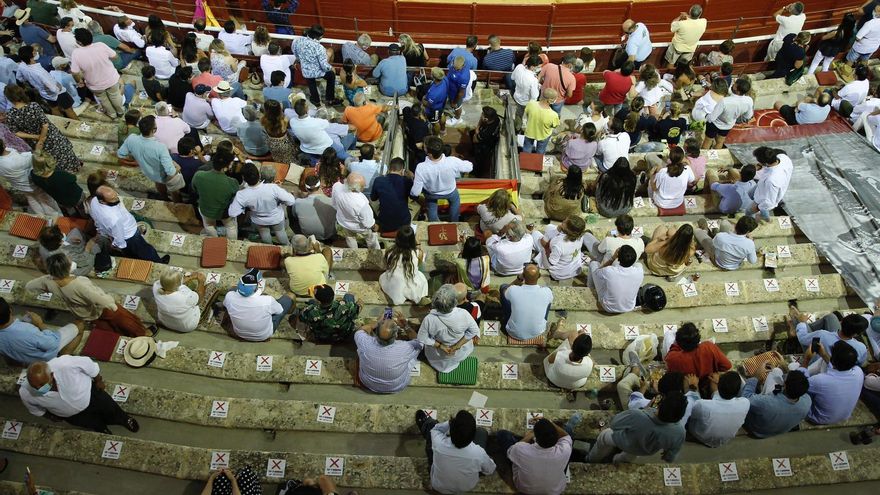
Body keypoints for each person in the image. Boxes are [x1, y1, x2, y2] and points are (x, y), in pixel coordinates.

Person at [27, 253, 155, 337]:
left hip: (81, 313)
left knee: (105, 327)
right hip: (99, 308)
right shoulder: (80, 283)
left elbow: (30, 285)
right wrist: (112, 305)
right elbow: (98, 298)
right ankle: (142, 334)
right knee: (124, 319)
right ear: (67, 267)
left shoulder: (48, 281)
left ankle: (122, 336)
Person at [20, 357, 140, 434]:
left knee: (110, 409)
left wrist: (98, 380)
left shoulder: (65, 365)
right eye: (34, 385)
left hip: (91, 395)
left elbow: (88, 365)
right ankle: (101, 428)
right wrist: (50, 416)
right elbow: (34, 409)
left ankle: (124, 419)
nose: (38, 389)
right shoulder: (25, 392)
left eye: (42, 384)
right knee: (90, 422)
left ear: (51, 375)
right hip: (72, 415)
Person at [588, 391, 688, 463]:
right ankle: (617, 462)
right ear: (680, 416)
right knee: (628, 456)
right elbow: (670, 457)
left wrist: (645, 409)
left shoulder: (637, 415)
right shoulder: (680, 432)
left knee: (603, 436)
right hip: (643, 450)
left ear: (660, 406)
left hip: (622, 440)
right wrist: (667, 455)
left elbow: (614, 424)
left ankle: (591, 459)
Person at [415, 408, 495, 494]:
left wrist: (451, 422)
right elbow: (490, 470)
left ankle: (425, 424)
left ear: (451, 431)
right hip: (466, 487)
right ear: (472, 437)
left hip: (438, 486)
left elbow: (435, 429)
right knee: (482, 432)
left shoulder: (439, 443)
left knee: (432, 424)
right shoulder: (479, 453)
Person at [4, 85, 79, 173]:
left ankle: (63, 172)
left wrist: (36, 137)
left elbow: (15, 132)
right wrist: (41, 138)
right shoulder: (34, 106)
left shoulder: (10, 114)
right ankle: (74, 167)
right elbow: (45, 125)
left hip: (34, 141)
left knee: (50, 157)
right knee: (63, 151)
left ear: (9, 98)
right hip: (50, 135)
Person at [90, 184, 169, 264]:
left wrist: (104, 233)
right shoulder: (113, 218)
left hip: (116, 233)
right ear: (102, 201)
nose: (117, 197)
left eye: (115, 193)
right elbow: (119, 235)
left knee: (131, 254)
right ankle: (159, 263)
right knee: (147, 251)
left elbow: (97, 220)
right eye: (112, 199)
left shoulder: (94, 201)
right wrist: (118, 244)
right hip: (130, 236)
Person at [497, 418, 572, 495]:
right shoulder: (565, 450)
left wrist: (530, 435)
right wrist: (549, 423)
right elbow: (566, 436)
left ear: (536, 439)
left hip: (524, 489)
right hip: (554, 491)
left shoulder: (520, 450)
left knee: (502, 434)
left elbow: (512, 450)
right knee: (568, 430)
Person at [118, 115, 184, 202]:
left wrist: (137, 159)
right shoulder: (160, 147)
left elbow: (120, 154)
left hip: (148, 172)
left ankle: (164, 198)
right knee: (174, 190)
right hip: (163, 174)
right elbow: (170, 172)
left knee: (158, 183)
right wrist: (178, 168)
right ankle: (177, 203)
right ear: (154, 130)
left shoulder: (131, 138)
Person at [229, 161, 295, 246]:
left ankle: (269, 248)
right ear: (259, 175)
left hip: (259, 220)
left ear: (244, 179)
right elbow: (291, 201)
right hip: (276, 218)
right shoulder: (273, 188)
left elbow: (232, 212)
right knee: (280, 232)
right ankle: (287, 247)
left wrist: (245, 208)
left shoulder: (241, 194)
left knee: (264, 235)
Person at [355, 312, 422, 394]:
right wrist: (405, 325)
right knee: (413, 354)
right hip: (397, 386)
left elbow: (360, 331)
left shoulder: (366, 343)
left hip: (369, 384)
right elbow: (419, 342)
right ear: (396, 335)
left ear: (376, 334)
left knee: (360, 352)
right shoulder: (405, 347)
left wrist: (377, 323)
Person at [417, 284, 479, 373]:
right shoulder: (463, 314)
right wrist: (456, 346)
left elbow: (421, 338)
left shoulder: (429, 319)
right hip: (459, 353)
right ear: (455, 301)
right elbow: (474, 331)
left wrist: (440, 346)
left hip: (438, 355)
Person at [0, 299, 82, 365]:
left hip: (22, 358)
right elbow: (52, 343)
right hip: (44, 358)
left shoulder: (24, 329)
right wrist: (40, 324)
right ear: (10, 310)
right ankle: (63, 359)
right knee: (80, 325)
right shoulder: (28, 330)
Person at [411, 136, 473, 222]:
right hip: (450, 191)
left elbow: (416, 192)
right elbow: (469, 167)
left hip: (431, 194)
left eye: (424, 147)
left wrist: (412, 194)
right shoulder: (452, 161)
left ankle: (434, 224)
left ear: (429, 154)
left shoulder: (421, 168)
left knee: (431, 206)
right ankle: (454, 222)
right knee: (455, 202)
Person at [223, 268, 291, 342]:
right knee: (288, 299)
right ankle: (293, 315)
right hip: (263, 335)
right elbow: (279, 311)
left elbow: (225, 305)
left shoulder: (229, 296)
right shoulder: (267, 300)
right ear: (256, 289)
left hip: (239, 333)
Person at [70, 28, 124, 118]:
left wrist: (79, 81)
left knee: (103, 100)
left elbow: (75, 73)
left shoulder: (76, 53)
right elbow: (115, 56)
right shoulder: (101, 45)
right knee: (115, 95)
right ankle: (120, 112)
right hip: (111, 79)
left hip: (95, 84)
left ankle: (112, 114)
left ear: (79, 42)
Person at [742, 368, 811, 438]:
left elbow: (744, 399)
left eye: (785, 378)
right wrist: (783, 367)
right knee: (777, 370)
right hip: (778, 427)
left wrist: (755, 377)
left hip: (757, 431)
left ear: (785, 386)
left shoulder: (764, 402)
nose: (783, 378)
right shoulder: (807, 401)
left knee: (740, 385)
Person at [807, 341, 864, 424]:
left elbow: (797, 384)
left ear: (833, 361)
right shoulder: (859, 372)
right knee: (823, 361)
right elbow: (836, 367)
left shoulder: (819, 380)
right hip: (844, 416)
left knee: (796, 387)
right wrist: (823, 354)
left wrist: (806, 359)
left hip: (818, 418)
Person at [687, 371, 750, 447]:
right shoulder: (745, 403)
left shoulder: (702, 405)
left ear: (718, 386)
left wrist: (693, 387)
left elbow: (691, 413)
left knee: (690, 398)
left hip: (701, 435)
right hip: (725, 439)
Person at [0, 139, 60, 217]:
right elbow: (34, 159)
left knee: (32, 199)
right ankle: (54, 216)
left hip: (19, 185)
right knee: (45, 199)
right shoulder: (15, 161)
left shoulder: (6, 158)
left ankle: (40, 216)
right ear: (4, 145)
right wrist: (38, 149)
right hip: (31, 183)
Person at [17, 45, 77, 119]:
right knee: (69, 110)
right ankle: (79, 125)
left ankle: (61, 122)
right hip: (58, 93)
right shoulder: (40, 72)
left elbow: (20, 78)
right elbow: (53, 89)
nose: (36, 52)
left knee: (54, 108)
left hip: (44, 93)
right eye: (34, 51)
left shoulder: (22, 66)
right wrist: (59, 88)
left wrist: (32, 81)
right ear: (32, 54)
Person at [792, 309, 869, 366]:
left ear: (841, 322)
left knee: (799, 321)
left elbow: (802, 339)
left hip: (819, 365)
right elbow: (859, 364)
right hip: (839, 367)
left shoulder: (822, 335)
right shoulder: (861, 348)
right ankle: (805, 327)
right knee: (831, 317)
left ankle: (797, 325)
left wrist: (802, 322)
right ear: (856, 334)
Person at [499, 264, 554, 341]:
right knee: (549, 295)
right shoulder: (546, 291)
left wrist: (519, 278)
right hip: (538, 332)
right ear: (539, 276)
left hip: (513, 332)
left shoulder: (513, 290)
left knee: (503, 287)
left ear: (523, 276)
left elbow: (506, 289)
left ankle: (506, 316)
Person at [191, 151, 239, 239]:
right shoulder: (232, 182)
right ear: (225, 168)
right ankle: (232, 244)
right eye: (231, 164)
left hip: (205, 209)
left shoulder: (199, 175)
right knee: (231, 227)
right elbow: (235, 198)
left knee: (209, 226)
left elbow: (194, 189)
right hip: (224, 213)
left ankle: (215, 241)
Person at [380, 226, 429, 305]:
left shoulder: (389, 251)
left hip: (395, 284)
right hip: (411, 283)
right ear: (412, 240)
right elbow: (419, 265)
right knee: (422, 276)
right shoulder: (418, 253)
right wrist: (418, 244)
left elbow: (387, 265)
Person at [293, 25, 340, 107]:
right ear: (319, 37)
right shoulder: (319, 48)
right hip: (316, 71)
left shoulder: (298, 41)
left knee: (311, 82)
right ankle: (330, 99)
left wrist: (301, 61)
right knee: (331, 75)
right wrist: (331, 68)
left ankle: (316, 101)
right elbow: (324, 65)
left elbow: (295, 53)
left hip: (306, 71)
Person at [36, 223, 108, 276]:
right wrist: (88, 248)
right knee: (101, 240)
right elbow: (83, 261)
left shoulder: (45, 243)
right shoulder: (62, 255)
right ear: (60, 241)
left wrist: (68, 242)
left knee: (76, 231)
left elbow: (64, 245)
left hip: (71, 252)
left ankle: (88, 239)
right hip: (80, 265)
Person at [332, 172, 381, 250]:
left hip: (344, 223)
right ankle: (374, 252)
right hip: (360, 227)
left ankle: (354, 251)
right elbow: (368, 223)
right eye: (363, 186)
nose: (364, 187)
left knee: (350, 238)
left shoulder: (336, 187)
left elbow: (334, 204)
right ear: (356, 188)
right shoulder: (362, 203)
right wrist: (375, 226)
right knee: (371, 239)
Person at [589, 244, 644, 314]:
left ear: (618, 257)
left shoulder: (609, 271)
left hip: (608, 307)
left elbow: (597, 273)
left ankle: (589, 287)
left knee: (594, 264)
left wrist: (613, 258)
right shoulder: (639, 271)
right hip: (629, 306)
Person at [665, 323, 732, 379]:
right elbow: (727, 365)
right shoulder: (708, 347)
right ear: (698, 339)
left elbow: (669, 357)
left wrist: (676, 345)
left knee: (669, 335)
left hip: (688, 388)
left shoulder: (673, 358)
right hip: (708, 384)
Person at [703, 78, 754, 149]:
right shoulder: (749, 100)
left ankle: (703, 157)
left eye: (734, 85)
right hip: (728, 125)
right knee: (720, 142)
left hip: (714, 124)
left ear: (737, 90)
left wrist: (706, 115)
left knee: (707, 141)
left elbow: (711, 118)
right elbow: (748, 116)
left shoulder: (725, 101)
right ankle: (714, 158)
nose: (733, 85)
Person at [531, 216, 586, 281]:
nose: (563, 221)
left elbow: (552, 262)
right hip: (573, 268)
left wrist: (546, 246)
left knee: (535, 234)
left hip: (559, 273)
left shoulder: (559, 243)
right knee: (550, 227)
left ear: (568, 229)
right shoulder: (580, 236)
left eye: (565, 222)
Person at [30, 151, 84, 217]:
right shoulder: (60, 175)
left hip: (61, 200)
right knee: (83, 209)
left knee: (71, 211)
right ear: (49, 161)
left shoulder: (34, 175)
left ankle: (74, 217)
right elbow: (73, 178)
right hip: (76, 196)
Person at [543, 323, 594, 391]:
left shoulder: (560, 355)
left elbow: (550, 360)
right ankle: (557, 333)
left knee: (573, 333)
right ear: (587, 354)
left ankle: (556, 333)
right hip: (575, 384)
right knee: (574, 335)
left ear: (572, 346)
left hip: (555, 380)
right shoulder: (589, 363)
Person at [152, 269, 205, 333]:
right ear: (179, 284)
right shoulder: (185, 297)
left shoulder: (156, 285)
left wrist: (190, 277)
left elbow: (169, 284)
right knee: (211, 286)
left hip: (166, 322)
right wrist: (201, 281)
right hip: (186, 326)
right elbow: (199, 298)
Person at [370, 157, 413, 233]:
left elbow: (373, 198)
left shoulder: (378, 180)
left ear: (389, 168)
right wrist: (412, 178)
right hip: (404, 221)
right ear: (402, 170)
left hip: (385, 223)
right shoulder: (407, 181)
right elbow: (414, 196)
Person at [750, 146, 793, 221]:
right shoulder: (783, 157)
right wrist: (761, 165)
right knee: (750, 193)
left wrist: (757, 208)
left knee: (755, 211)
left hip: (767, 194)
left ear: (766, 163)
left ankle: (766, 219)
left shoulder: (771, 180)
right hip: (766, 185)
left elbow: (769, 202)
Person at [292, 175, 336, 242]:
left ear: (306, 188)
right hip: (329, 235)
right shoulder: (332, 201)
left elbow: (294, 215)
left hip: (308, 236)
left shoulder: (298, 202)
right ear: (320, 186)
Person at [523, 87, 560, 154]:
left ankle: (524, 162)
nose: (555, 100)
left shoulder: (531, 104)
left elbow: (527, 114)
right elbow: (554, 126)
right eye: (555, 98)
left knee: (527, 149)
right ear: (549, 100)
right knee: (540, 151)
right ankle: (537, 163)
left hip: (530, 132)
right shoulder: (553, 115)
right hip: (543, 135)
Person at [511, 55, 542, 131]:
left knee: (518, 113)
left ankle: (517, 128)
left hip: (517, 96)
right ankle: (527, 129)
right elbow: (534, 96)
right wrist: (537, 87)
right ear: (532, 67)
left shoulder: (519, 67)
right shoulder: (533, 80)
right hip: (526, 101)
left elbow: (512, 77)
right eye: (538, 67)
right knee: (528, 116)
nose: (539, 69)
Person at [445, 56, 470, 125]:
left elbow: (460, 93)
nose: (455, 69)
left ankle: (457, 118)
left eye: (457, 69)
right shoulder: (454, 61)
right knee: (456, 105)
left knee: (456, 106)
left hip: (456, 94)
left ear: (463, 65)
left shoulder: (464, 77)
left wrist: (454, 102)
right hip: (450, 90)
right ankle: (459, 108)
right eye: (454, 67)